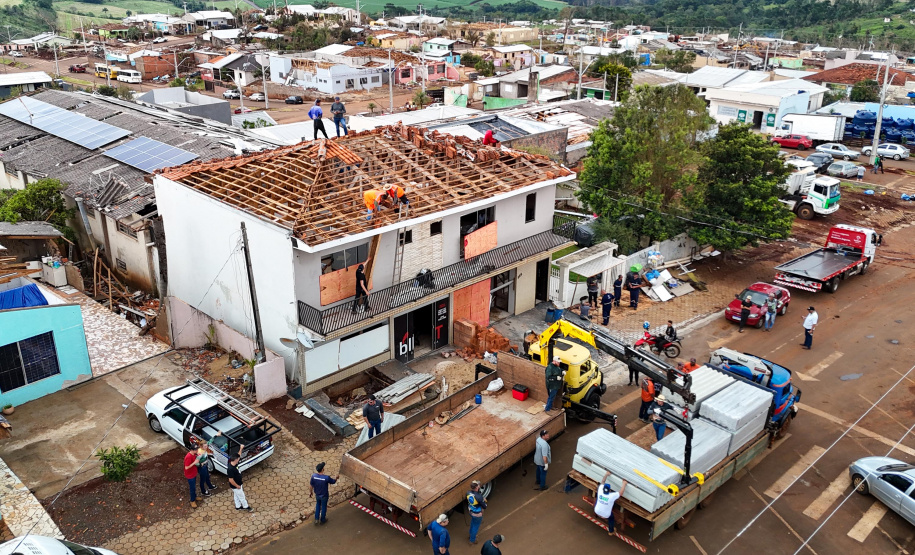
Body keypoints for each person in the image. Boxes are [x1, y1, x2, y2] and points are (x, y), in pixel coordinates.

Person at [594, 470, 627, 535]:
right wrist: (624, 484)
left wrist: (606, 474)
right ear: (609, 490)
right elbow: (620, 493)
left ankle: (611, 531)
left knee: (603, 503)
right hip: (606, 514)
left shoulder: (600, 490)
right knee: (611, 518)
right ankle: (611, 531)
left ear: (603, 489)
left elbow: (602, 481)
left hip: (597, 511)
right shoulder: (611, 496)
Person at [466, 480, 488, 545]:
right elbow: (484, 506)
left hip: (471, 511)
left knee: (473, 523)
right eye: (478, 485)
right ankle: (472, 540)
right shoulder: (479, 497)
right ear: (476, 487)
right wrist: (484, 501)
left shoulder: (468, 492)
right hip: (477, 514)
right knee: (475, 527)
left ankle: (470, 534)